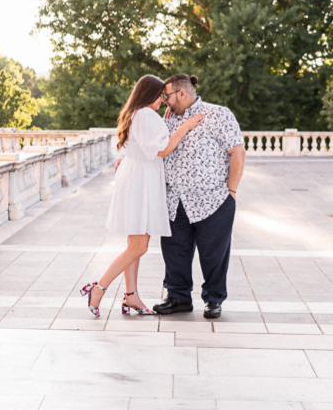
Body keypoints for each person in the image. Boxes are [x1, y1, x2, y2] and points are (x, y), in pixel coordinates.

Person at [81, 75, 203, 317]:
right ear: (150, 94)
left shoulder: (135, 113)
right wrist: (185, 127)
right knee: (138, 247)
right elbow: (163, 149)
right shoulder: (146, 115)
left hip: (135, 177)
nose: (163, 101)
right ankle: (99, 287)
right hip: (141, 182)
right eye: (160, 96)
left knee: (133, 245)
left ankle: (131, 296)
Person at [154, 74, 245, 319]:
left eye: (167, 96)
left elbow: (237, 151)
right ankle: (178, 297)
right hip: (175, 201)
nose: (164, 102)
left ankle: (214, 299)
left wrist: (231, 192)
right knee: (174, 251)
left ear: (181, 93)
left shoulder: (219, 114)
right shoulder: (168, 120)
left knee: (214, 253)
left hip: (213, 200)